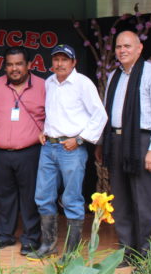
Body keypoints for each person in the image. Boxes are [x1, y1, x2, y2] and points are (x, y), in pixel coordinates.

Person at [96, 31, 151, 266]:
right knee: (122, 200)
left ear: (139, 48)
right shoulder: (114, 76)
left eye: (127, 46)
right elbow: (107, 113)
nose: (122, 51)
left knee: (144, 201)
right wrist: (102, 142)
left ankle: (148, 255)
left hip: (141, 142)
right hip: (117, 141)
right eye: (118, 47)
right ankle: (128, 251)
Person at [29, 44, 107, 259]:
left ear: (74, 63)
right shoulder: (50, 82)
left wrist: (80, 139)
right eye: (56, 59)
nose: (60, 63)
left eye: (65, 59)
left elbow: (100, 115)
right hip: (49, 147)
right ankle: (48, 245)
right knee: (43, 196)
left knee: (71, 199)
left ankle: (71, 252)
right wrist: (44, 131)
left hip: (71, 148)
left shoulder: (83, 84)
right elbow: (53, 113)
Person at [0, 47, 45, 256]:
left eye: (18, 64)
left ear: (28, 65)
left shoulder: (43, 87)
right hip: (0, 152)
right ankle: (5, 236)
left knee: (30, 197)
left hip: (31, 152)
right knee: (4, 196)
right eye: (10, 64)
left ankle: (31, 239)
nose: (14, 68)